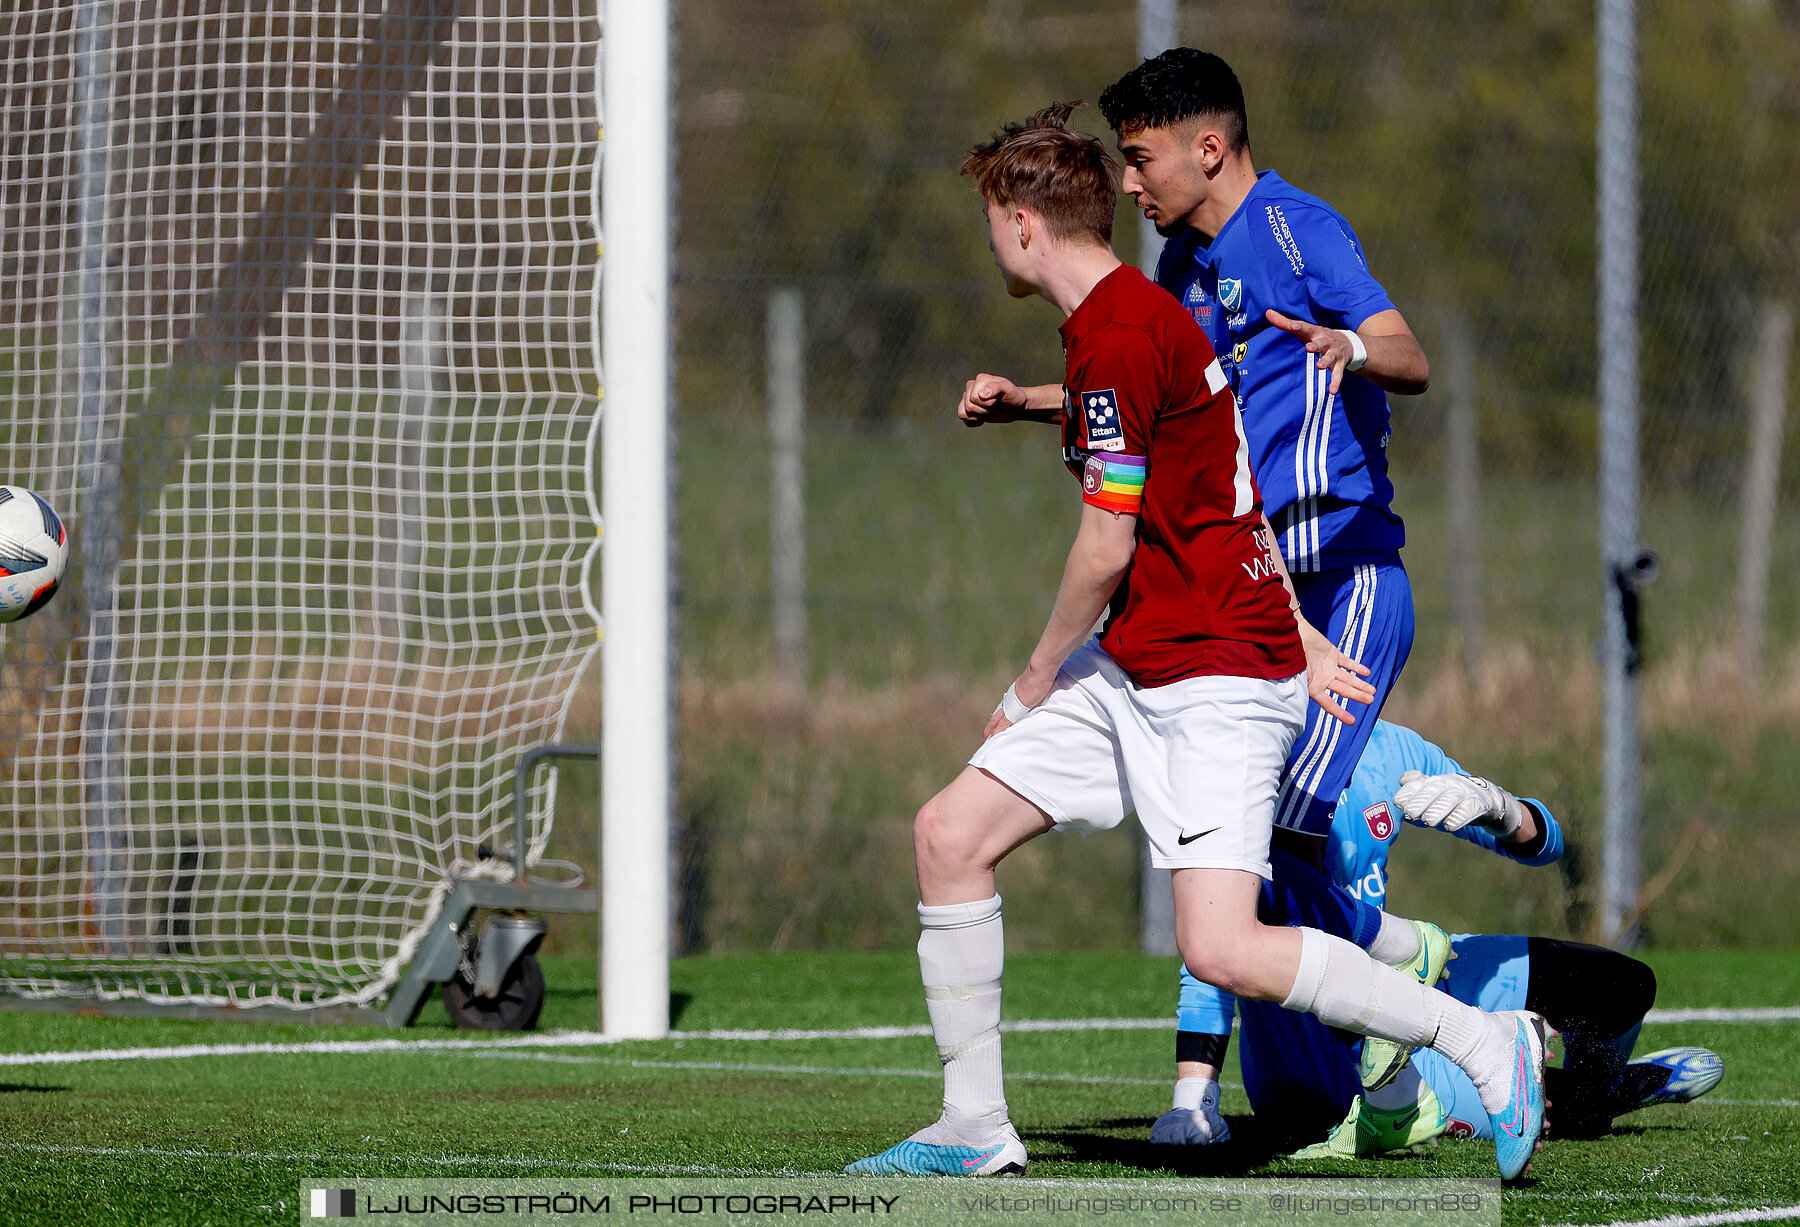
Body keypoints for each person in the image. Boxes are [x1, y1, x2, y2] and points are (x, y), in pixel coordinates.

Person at [846, 103, 1547, 1184]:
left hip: (1214, 677)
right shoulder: (1124, 321)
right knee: (948, 836)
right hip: (1146, 661)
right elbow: (1229, 498)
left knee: (1222, 947)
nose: (989, 240)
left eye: (992, 218)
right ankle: (971, 1124)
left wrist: (1033, 682)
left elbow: (1106, 544)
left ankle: (1475, 1039)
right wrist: (1304, 634)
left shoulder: (1126, 332)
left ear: (1024, 226)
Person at [959, 51, 1425, 872]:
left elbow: (1408, 356)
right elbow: (1149, 411)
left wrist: (1345, 345)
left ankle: (1427, 834)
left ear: (1207, 151)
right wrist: (1024, 402)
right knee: (1239, 862)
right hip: (1254, 584)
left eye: (1140, 160)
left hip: (1341, 571)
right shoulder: (1180, 271)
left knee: (1282, 846)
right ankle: (1413, 824)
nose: (1130, 186)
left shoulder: (1297, 227)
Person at [1150, 721, 1724, 1156]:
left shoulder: (1386, 745)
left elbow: (1543, 845)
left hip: (1404, 960)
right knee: (1534, 1101)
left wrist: (1497, 807)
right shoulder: (1246, 748)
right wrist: (1192, 1097)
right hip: (1312, 1054)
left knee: (1623, 986)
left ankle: (1603, 1091)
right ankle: (1610, 1095)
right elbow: (1212, 941)